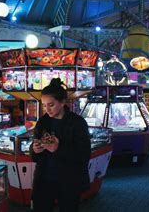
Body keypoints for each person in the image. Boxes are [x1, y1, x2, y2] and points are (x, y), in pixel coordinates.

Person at [30, 78, 91, 212]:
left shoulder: (77, 123)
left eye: (51, 105)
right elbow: (34, 156)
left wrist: (58, 148)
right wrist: (35, 149)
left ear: (63, 102)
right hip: (44, 179)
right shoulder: (43, 122)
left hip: (69, 180)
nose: (47, 109)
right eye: (44, 105)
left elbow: (84, 155)